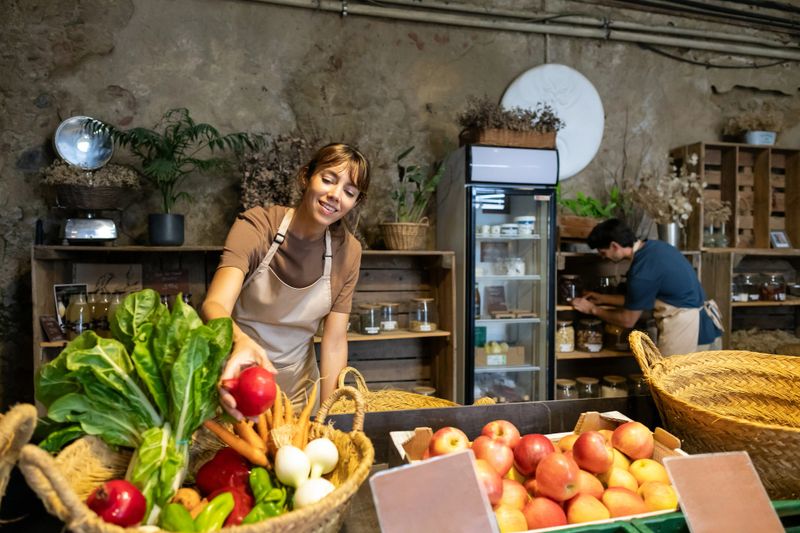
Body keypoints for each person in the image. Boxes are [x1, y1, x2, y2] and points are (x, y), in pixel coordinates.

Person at [201, 143, 370, 420]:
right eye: (327, 180)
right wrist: (240, 341)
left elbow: (335, 341)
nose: (334, 196)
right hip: (236, 384)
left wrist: (328, 418)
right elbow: (214, 304)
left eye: (349, 192)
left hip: (298, 395)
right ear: (306, 177)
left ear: (355, 202)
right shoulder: (257, 226)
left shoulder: (348, 252)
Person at [571, 219, 722, 355]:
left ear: (614, 246)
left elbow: (627, 320)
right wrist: (603, 298)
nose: (603, 257)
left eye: (603, 252)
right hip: (706, 327)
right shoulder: (656, 248)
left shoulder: (642, 271)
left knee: (670, 384)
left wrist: (592, 309)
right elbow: (638, 299)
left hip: (687, 329)